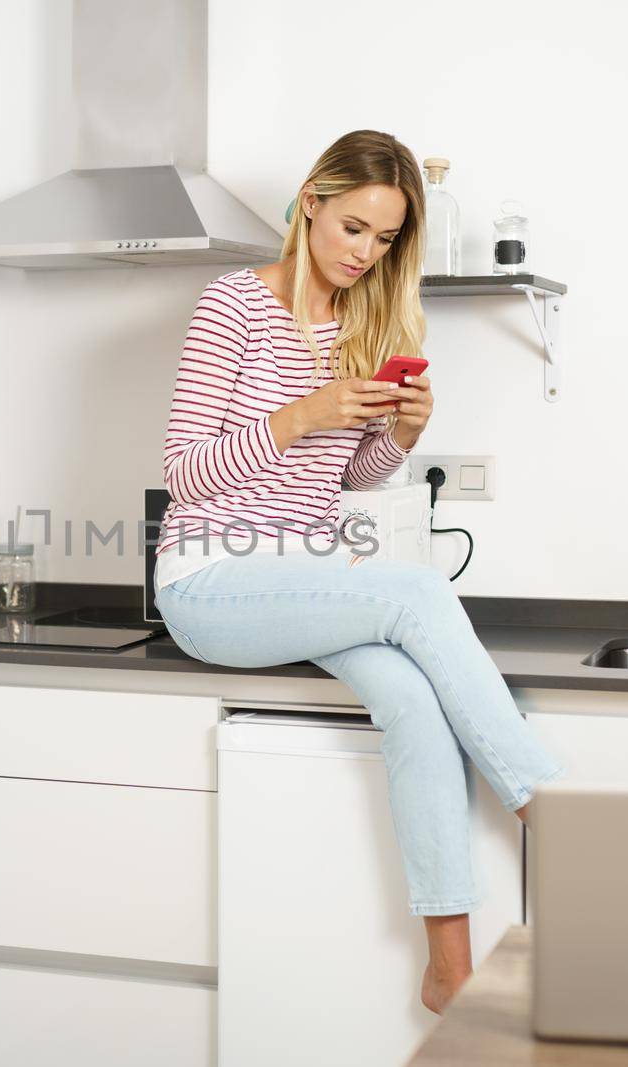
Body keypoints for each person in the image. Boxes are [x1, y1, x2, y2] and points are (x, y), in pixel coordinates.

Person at [151, 129, 565, 1015]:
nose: (363, 254)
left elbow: (345, 478)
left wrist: (401, 435)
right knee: (416, 588)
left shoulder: (366, 319)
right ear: (309, 202)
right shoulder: (231, 305)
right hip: (210, 581)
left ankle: (447, 962)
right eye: (352, 229)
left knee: (413, 700)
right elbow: (185, 470)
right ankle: (556, 816)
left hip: (300, 573)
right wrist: (305, 410)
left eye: (383, 240)